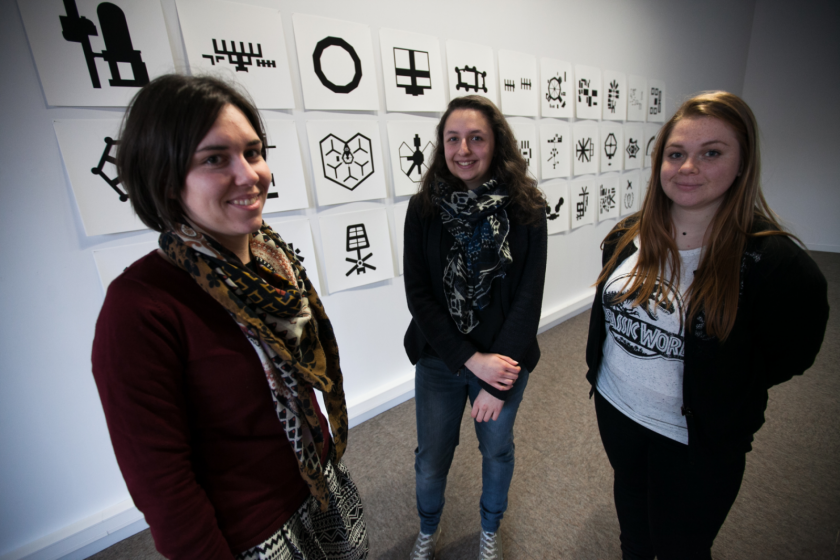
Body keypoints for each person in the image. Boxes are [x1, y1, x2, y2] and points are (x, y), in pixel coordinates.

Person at [92, 74, 368, 560]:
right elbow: (163, 485)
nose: (249, 175)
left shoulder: (272, 261)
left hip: (322, 488)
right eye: (215, 159)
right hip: (254, 533)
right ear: (164, 179)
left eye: (253, 151)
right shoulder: (138, 308)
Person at [585, 91, 829, 560]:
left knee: (683, 548)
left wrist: (722, 382)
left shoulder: (776, 266)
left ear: (742, 164)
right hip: (618, 410)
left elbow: (791, 355)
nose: (688, 167)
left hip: (695, 440)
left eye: (711, 153)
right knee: (633, 535)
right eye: (676, 154)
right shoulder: (627, 235)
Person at [403, 95, 547, 560]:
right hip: (439, 357)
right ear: (442, 146)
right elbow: (419, 296)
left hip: (505, 362)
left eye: (476, 138)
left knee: (497, 451)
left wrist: (496, 380)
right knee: (431, 460)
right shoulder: (423, 208)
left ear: (496, 143)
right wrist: (469, 360)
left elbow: (528, 299)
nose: (463, 148)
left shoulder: (527, 209)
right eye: (452, 139)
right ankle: (428, 529)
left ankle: (490, 529)